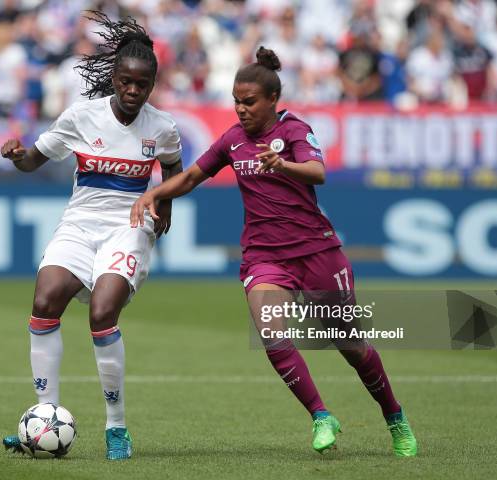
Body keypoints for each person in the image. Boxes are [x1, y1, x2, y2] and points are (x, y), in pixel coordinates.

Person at [131, 46, 417, 457]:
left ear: (271, 101)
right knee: (271, 332)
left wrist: (282, 166)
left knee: (351, 346)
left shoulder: (295, 132)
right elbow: (193, 175)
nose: (240, 110)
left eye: (248, 102)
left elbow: (318, 172)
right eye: (235, 102)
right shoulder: (232, 140)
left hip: (317, 253)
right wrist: (155, 193)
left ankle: (395, 417)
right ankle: (321, 415)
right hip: (265, 257)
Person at [0, 11, 182, 460]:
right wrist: (18, 155)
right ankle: (45, 416)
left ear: (152, 85)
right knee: (44, 302)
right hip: (79, 225)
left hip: (129, 229)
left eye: (142, 85)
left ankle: (116, 427)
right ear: (115, 78)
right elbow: (34, 161)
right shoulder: (82, 117)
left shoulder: (162, 128)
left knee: (102, 312)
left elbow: (176, 170)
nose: (133, 91)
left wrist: (164, 203)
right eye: (126, 81)